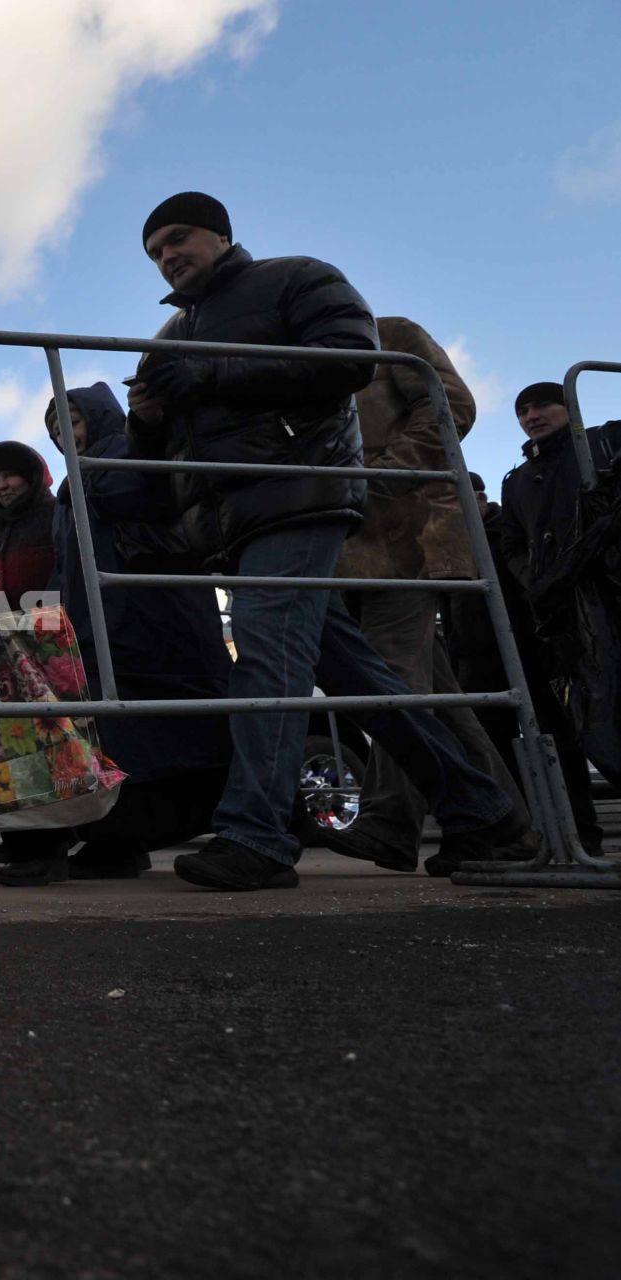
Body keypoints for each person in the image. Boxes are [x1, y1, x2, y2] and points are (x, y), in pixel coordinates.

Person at [127, 191, 523, 890]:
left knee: (266, 659)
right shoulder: (174, 334)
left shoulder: (296, 277)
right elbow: (169, 443)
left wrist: (209, 372)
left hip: (299, 497)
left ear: (220, 235)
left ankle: (255, 835)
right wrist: (148, 418)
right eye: (156, 252)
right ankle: (485, 816)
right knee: (355, 676)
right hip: (235, 520)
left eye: (178, 239)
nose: (168, 258)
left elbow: (346, 361)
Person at [316, 318, 534, 873]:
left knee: (393, 676)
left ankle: (391, 821)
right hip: (348, 545)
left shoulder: (389, 335)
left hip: (406, 534)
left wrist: (384, 473)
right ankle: (505, 827)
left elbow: (451, 405)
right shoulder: (296, 363)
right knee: (437, 694)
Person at [42, 384, 233, 879]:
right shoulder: (75, 484)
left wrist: (84, 482)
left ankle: (238, 822)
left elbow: (144, 493)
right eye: (57, 431)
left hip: (154, 622)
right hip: (106, 626)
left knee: (175, 730)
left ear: (101, 419)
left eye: (73, 422)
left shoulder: (123, 453)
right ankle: (121, 840)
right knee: (122, 740)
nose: (66, 436)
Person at [446, 472, 606, 853]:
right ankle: (521, 835)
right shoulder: (452, 544)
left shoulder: (507, 536)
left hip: (531, 650)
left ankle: (581, 832)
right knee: (493, 747)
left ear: (481, 500)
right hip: (477, 658)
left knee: (556, 739)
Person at [496, 380, 621, 786]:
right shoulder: (516, 482)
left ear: (570, 406)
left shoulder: (605, 442)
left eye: (542, 405)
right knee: (591, 720)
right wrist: (536, 577)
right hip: (566, 612)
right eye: (523, 411)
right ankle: (582, 831)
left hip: (612, 591)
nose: (532, 417)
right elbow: (511, 542)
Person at [0, 439, 83, 885]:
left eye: (9, 476)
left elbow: (67, 572)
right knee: (19, 750)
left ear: (33, 474)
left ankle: (47, 847)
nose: (2, 486)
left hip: (50, 648)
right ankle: (26, 837)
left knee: (54, 751)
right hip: (7, 651)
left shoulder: (53, 516)